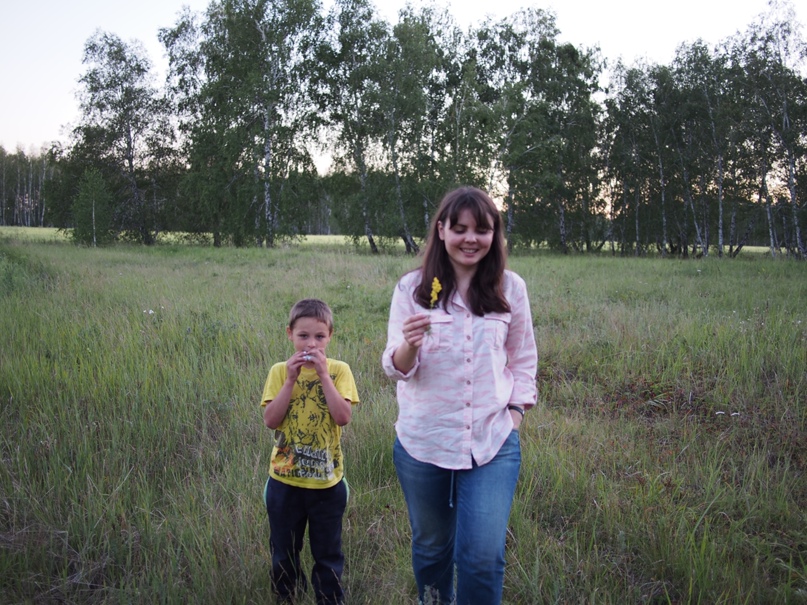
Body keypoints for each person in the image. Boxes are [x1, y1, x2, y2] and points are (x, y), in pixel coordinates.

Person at [382, 186, 538, 605]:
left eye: (482, 230)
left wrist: (515, 417)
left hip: (492, 443)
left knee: (483, 557)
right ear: (442, 230)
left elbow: (522, 361)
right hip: (423, 442)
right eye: (461, 228)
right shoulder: (412, 289)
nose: (471, 239)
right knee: (432, 549)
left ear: (495, 235)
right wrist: (410, 344)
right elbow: (394, 368)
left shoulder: (511, 288)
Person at [261, 298, 359, 605]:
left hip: (326, 484)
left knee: (327, 551)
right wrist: (290, 380)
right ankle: (286, 595)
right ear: (289, 334)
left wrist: (324, 376)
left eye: (319, 336)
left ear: (330, 336)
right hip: (284, 481)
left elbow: (343, 416)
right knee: (283, 550)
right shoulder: (279, 371)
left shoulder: (340, 370)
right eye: (303, 336)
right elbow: (270, 420)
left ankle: (329, 599)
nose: (311, 344)